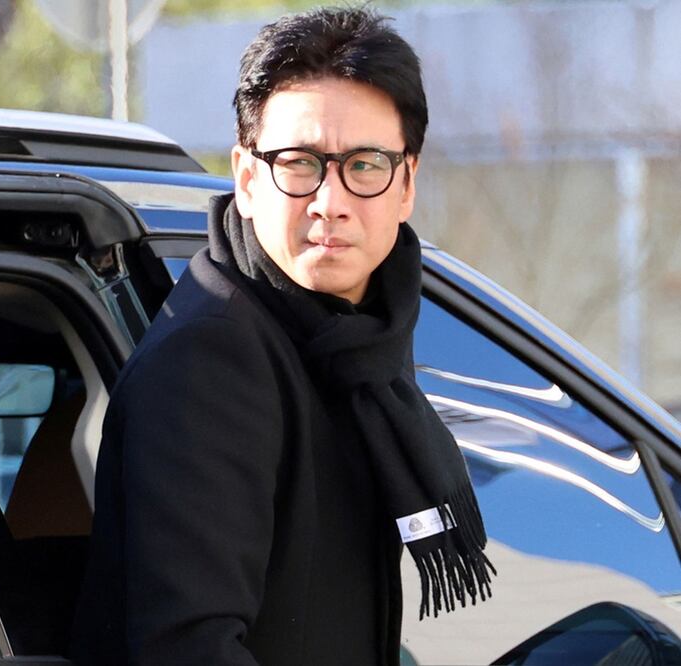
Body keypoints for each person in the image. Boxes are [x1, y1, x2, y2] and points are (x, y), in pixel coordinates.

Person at [71, 7, 495, 665]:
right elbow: (188, 648)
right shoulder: (210, 358)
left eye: (364, 165)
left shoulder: (357, 340)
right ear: (246, 179)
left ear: (406, 182)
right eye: (299, 163)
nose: (331, 201)